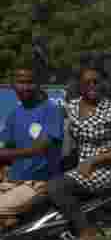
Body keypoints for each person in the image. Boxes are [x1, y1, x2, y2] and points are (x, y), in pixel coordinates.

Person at [46, 59, 111, 240]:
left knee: (56, 186)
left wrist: (94, 160)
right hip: (81, 165)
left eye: (96, 81)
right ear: (80, 85)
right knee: (42, 183)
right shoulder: (71, 107)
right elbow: (48, 121)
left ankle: (86, 232)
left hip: (106, 167)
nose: (92, 85)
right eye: (87, 82)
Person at [0, 56, 65, 229]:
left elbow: (40, 148)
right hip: (12, 182)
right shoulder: (14, 115)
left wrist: (6, 154)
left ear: (38, 84)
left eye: (30, 82)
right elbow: (6, 147)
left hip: (39, 184)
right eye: (20, 82)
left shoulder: (51, 110)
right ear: (13, 84)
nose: (25, 87)